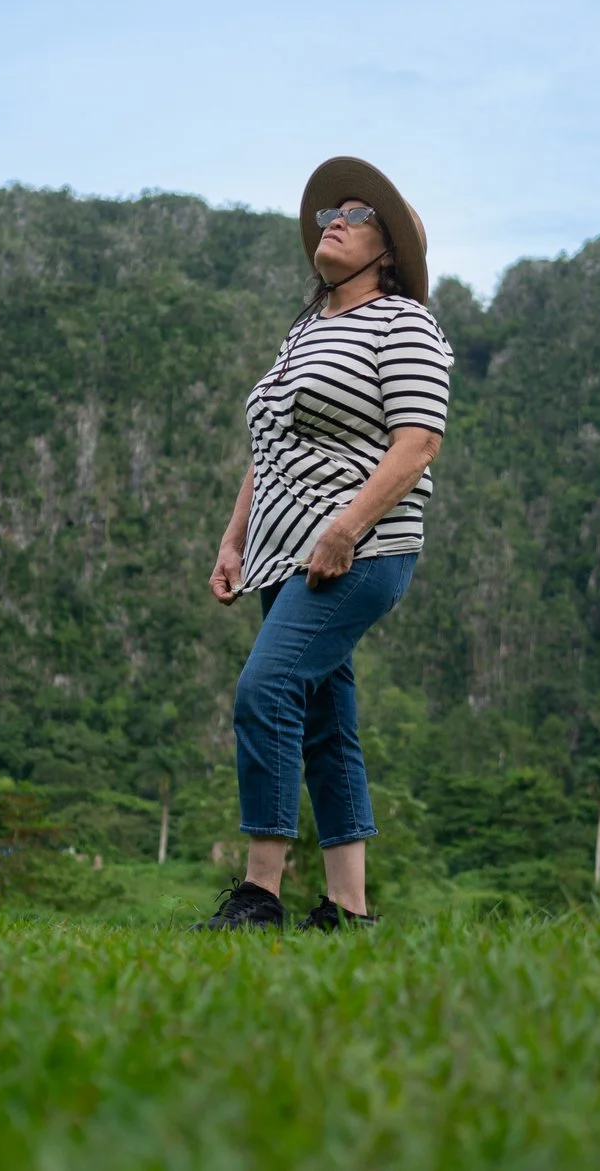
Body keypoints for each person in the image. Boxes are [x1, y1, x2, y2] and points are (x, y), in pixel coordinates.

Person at [197, 156, 451, 932]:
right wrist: (234, 538)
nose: (333, 222)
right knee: (325, 723)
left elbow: (417, 444)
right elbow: (268, 444)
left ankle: (260, 894)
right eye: (327, 215)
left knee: (265, 690)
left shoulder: (404, 322)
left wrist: (346, 527)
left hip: (359, 550)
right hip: (286, 553)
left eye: (356, 214)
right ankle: (348, 909)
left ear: (387, 251)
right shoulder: (305, 331)